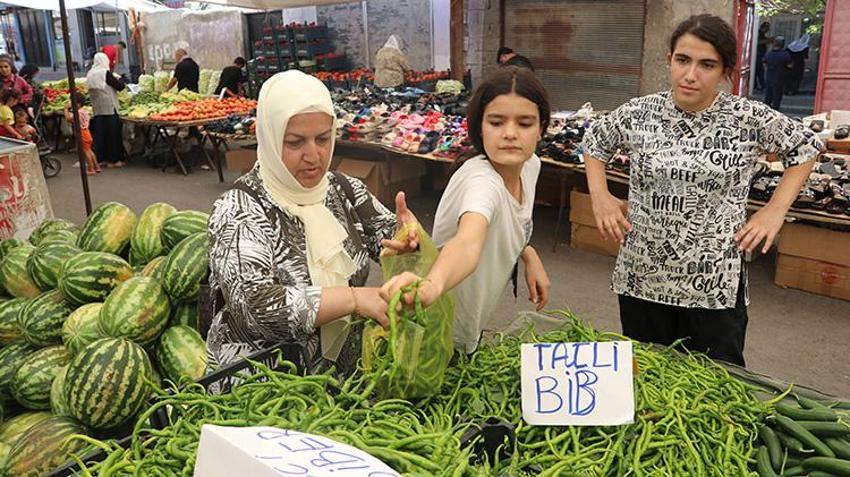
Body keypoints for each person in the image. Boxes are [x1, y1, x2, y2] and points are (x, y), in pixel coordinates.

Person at [581, 14, 823, 366]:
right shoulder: (639, 113)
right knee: (648, 379)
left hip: (713, 285)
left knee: (718, 384)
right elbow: (595, 142)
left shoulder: (748, 118)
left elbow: (805, 148)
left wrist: (774, 210)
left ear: (725, 71)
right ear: (669, 61)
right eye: (682, 60)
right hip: (643, 277)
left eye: (706, 64)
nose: (690, 75)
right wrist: (600, 197)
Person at [206, 70, 420, 374]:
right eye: (295, 142)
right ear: (267, 136)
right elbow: (254, 308)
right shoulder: (239, 210)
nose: (313, 155)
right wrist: (354, 299)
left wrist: (408, 238)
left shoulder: (344, 191)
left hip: (341, 381)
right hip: (265, 388)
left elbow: (388, 238)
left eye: (322, 139)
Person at [380, 66, 552, 354]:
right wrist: (431, 286)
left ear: (542, 128)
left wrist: (529, 254)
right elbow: (469, 242)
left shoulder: (530, 166)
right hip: (436, 328)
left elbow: (510, 222)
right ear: (479, 127)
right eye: (496, 122)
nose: (510, 134)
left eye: (524, 123)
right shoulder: (482, 182)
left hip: (471, 319)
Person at [87, 52, 127, 168]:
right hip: (109, 107)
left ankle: (102, 158)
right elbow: (119, 86)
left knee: (101, 134)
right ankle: (114, 159)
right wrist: (122, 80)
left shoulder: (90, 73)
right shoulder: (105, 73)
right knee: (113, 134)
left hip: (97, 108)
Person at [64, 92, 99, 175]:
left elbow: (69, 119)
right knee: (89, 150)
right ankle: (96, 166)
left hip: (82, 133)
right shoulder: (84, 111)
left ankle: (91, 169)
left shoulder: (78, 113)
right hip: (87, 132)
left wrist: (65, 109)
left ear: (78, 104)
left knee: (86, 151)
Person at [763, 36, 792, 110]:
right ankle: (775, 111)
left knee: (768, 96)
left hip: (769, 78)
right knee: (777, 97)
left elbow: (764, 64)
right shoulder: (785, 54)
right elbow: (790, 65)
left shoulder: (768, 54)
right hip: (779, 78)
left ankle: (766, 111)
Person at [754, 22, 770, 91]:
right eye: (767, 28)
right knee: (757, 71)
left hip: (761, 54)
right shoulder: (758, 33)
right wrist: (767, 41)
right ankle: (755, 86)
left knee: (760, 72)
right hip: (758, 54)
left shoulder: (762, 34)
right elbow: (757, 42)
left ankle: (762, 86)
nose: (768, 30)